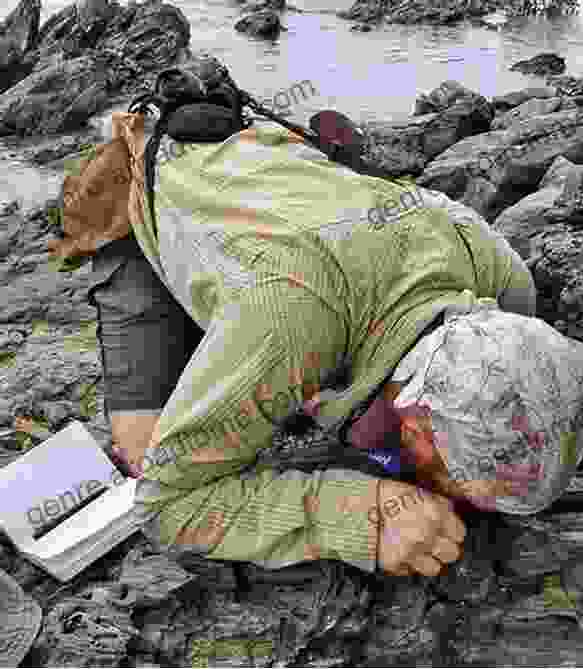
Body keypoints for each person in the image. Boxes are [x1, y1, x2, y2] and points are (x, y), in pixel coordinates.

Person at [49, 108, 545, 578]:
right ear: (413, 422)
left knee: (292, 360)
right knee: (143, 452)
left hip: (274, 179)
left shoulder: (504, 282)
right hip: (147, 194)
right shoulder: (285, 322)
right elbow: (167, 503)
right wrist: (356, 515)